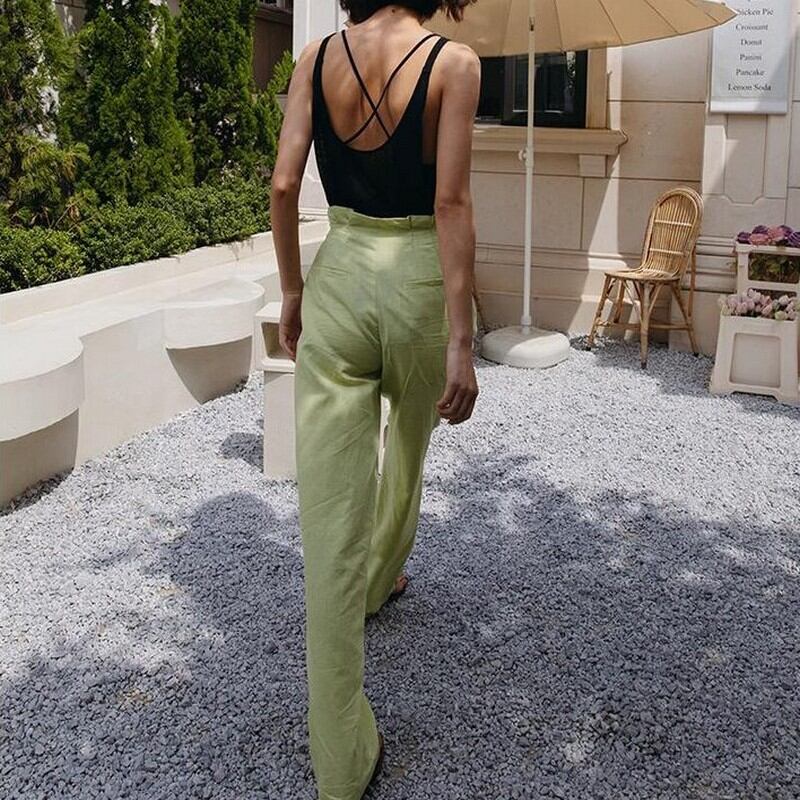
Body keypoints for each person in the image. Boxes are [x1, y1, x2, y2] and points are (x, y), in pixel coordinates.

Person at [270, 1, 480, 797]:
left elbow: (283, 183)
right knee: (409, 451)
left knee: (329, 513)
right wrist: (461, 339)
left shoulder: (315, 57)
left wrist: (293, 291)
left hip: (339, 281)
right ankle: (382, 573)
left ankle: (342, 761)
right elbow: (451, 204)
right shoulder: (453, 64)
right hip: (418, 285)